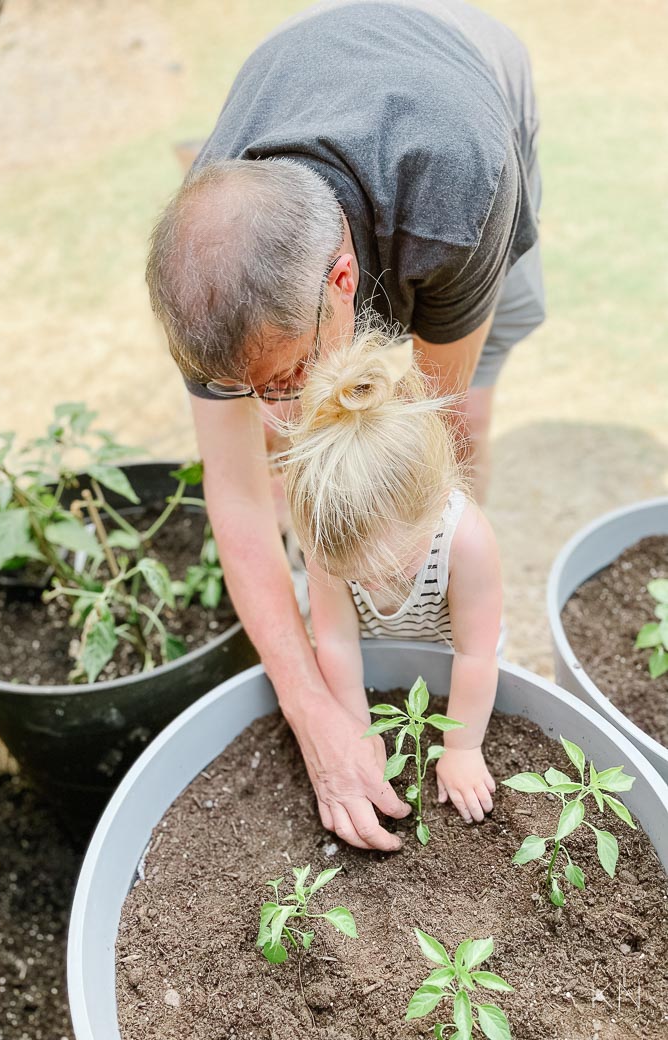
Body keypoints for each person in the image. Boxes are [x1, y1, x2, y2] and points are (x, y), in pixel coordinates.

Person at [145, 0, 543, 851]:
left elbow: (421, 432)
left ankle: (449, 593)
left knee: (459, 427)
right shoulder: (208, 289)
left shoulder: (457, 189)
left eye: (286, 377)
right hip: (328, 85)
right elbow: (242, 498)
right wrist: (316, 709)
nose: (278, 414)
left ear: (342, 277)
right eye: (247, 388)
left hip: (474, 86)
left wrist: (431, 585)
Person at [283, 329, 501, 827]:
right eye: (354, 573)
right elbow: (337, 643)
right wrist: (358, 732)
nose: (370, 580)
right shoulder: (330, 538)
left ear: (432, 504)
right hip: (379, 654)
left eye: (389, 568)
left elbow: (476, 654)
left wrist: (462, 746)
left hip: (454, 662)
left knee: (471, 682)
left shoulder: (465, 540)